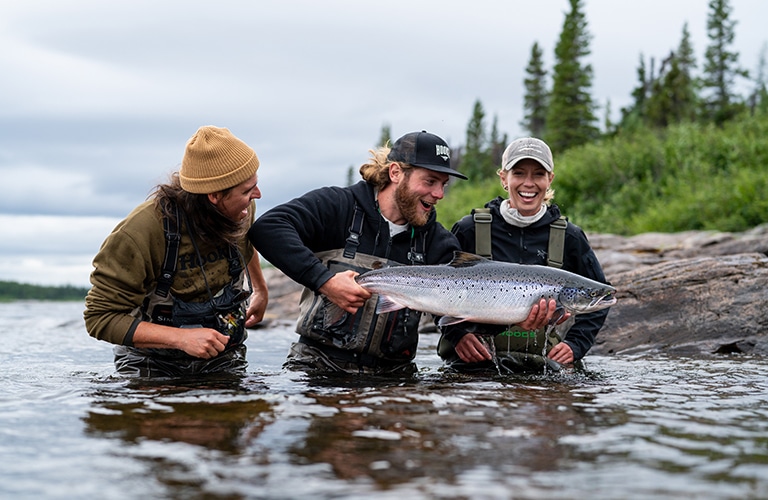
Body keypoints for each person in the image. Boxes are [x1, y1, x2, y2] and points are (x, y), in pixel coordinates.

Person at [248, 130, 473, 375]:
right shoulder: (339, 206)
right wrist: (324, 282)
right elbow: (268, 228)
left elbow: (452, 299)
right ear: (396, 172)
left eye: (443, 184)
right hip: (316, 368)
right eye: (430, 181)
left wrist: (458, 333)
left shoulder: (437, 241)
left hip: (394, 378)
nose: (439, 194)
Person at [84, 125, 269, 377]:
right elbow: (99, 318)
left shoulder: (242, 209)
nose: (257, 195)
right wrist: (180, 338)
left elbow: (246, 242)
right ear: (215, 196)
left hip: (224, 359)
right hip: (151, 363)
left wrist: (260, 289)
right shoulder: (141, 232)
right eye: (247, 190)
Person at [437, 137, 611, 373]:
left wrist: (576, 345)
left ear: (550, 179)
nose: (528, 183)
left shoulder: (569, 237)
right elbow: (431, 284)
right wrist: (456, 335)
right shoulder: (470, 229)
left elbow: (600, 296)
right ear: (503, 179)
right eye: (518, 173)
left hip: (540, 366)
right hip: (473, 366)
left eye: (538, 174)